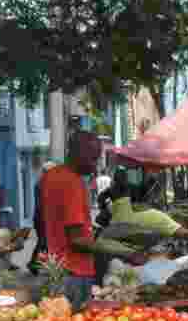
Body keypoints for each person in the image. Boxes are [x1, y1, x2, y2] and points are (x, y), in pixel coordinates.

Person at [38, 132, 142, 309]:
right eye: (93, 159)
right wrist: (124, 251)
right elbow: (78, 240)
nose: (95, 166)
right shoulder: (73, 183)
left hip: (57, 271)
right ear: (77, 152)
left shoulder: (49, 176)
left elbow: (44, 220)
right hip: (75, 272)